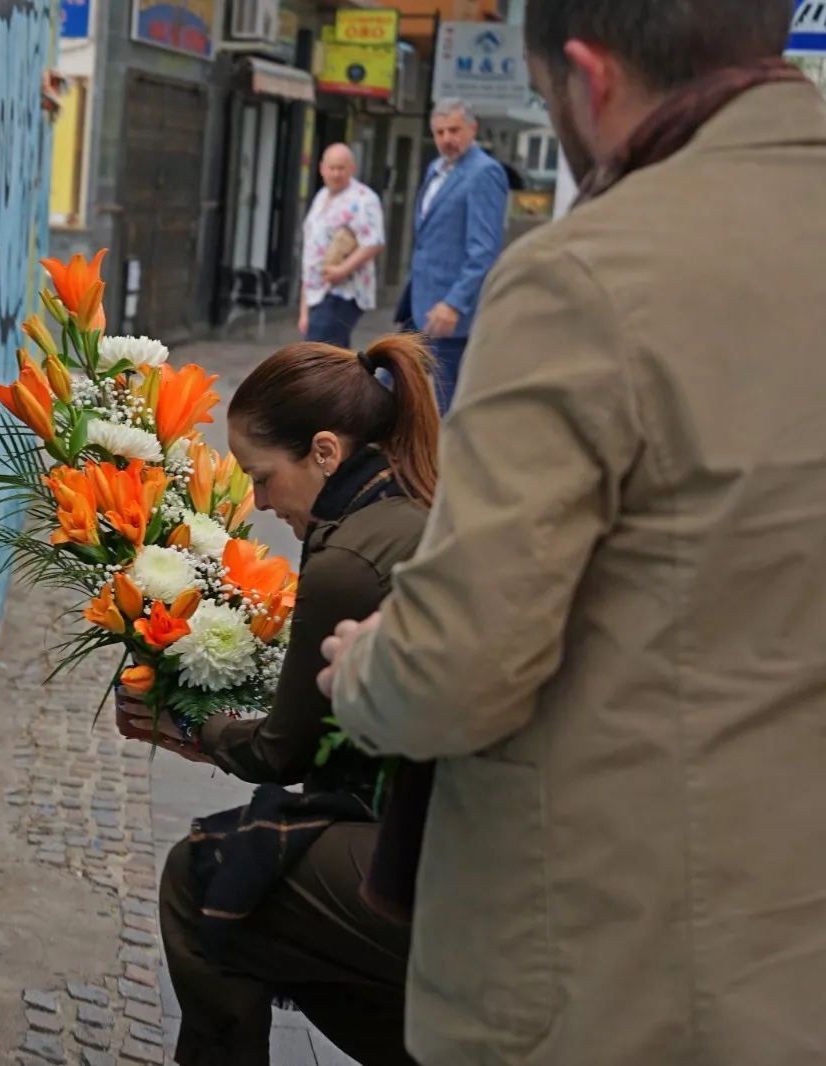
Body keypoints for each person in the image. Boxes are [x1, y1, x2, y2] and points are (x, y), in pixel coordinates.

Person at [317, 3, 826, 1065]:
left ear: (588, 80)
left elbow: (460, 664)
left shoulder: (587, 275)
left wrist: (362, 668)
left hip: (623, 967)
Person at [120, 334, 441, 1066]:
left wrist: (192, 722)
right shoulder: (410, 498)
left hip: (443, 859)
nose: (260, 502)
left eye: (264, 478)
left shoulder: (348, 559)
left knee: (205, 878)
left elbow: (282, 751)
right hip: (464, 830)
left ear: (325, 452)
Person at [395, 98, 508, 411]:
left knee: (449, 401)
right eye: (440, 132)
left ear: (473, 128)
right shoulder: (436, 168)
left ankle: (449, 460)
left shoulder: (484, 174)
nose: (447, 139)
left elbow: (484, 250)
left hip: (449, 313)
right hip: (419, 304)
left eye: (455, 130)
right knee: (391, 384)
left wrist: (454, 303)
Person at [298, 144, 386, 349]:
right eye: (332, 168)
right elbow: (311, 251)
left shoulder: (364, 199)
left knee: (317, 355)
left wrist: (342, 270)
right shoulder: (321, 197)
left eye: (341, 168)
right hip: (316, 291)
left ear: (352, 169)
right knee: (337, 359)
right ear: (322, 168)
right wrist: (304, 308)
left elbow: (374, 241)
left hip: (344, 291)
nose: (336, 174)